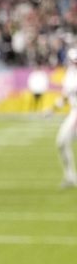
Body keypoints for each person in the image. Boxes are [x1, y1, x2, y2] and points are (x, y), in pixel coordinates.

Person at [57, 47, 77, 188]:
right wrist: (53, 108)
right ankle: (70, 176)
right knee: (62, 143)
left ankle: (71, 176)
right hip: (73, 111)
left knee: (62, 141)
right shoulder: (69, 75)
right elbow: (66, 96)